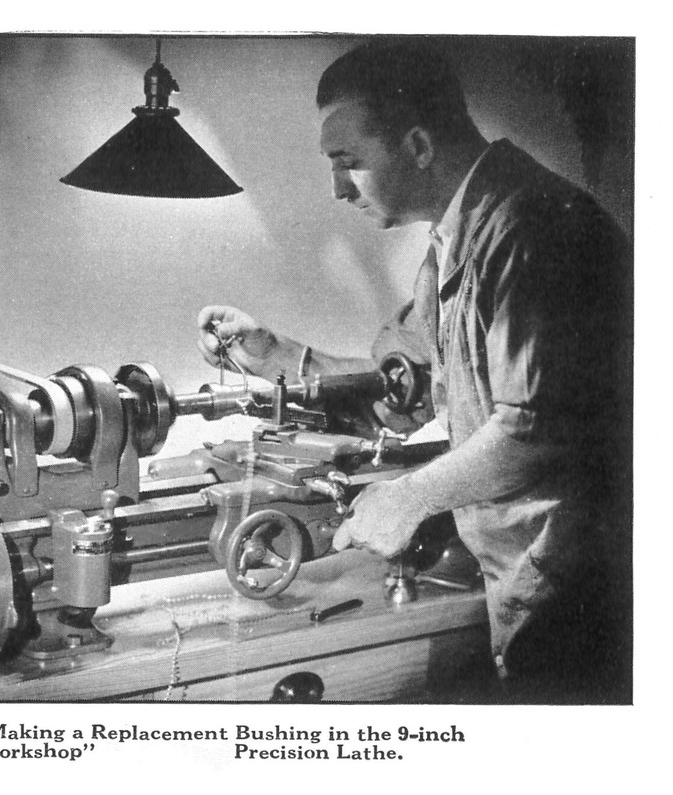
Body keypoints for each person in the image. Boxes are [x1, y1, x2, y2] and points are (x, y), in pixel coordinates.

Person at [197, 39, 631, 703]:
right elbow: (408, 390)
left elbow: (535, 430)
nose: (338, 188)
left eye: (348, 162)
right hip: (526, 586)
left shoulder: (536, 229)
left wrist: (406, 499)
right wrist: (276, 355)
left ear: (420, 145)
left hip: (584, 599)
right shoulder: (456, 242)